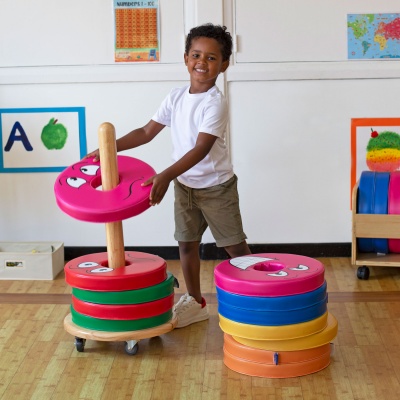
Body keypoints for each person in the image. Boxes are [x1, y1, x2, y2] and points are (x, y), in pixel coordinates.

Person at [86, 23, 251, 328]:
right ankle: (196, 301)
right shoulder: (175, 97)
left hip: (216, 188)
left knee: (233, 246)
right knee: (186, 243)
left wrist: (163, 176)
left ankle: (255, 295)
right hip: (185, 185)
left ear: (224, 65)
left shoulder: (216, 102)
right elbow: (147, 132)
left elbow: (201, 150)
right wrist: (110, 148)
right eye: (196, 54)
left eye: (212, 58)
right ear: (186, 58)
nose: (202, 62)